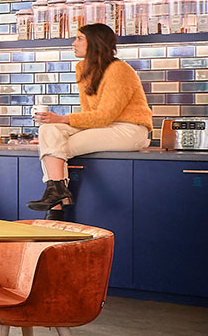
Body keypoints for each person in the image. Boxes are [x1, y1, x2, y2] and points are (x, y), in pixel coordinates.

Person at [30, 22, 151, 212]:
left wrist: (61, 119)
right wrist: (56, 123)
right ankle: (57, 193)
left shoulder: (119, 70)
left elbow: (104, 116)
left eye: (79, 38)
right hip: (104, 127)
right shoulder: (83, 68)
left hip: (129, 129)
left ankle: (56, 205)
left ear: (95, 42)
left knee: (55, 148)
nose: (73, 43)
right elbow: (89, 113)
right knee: (48, 129)